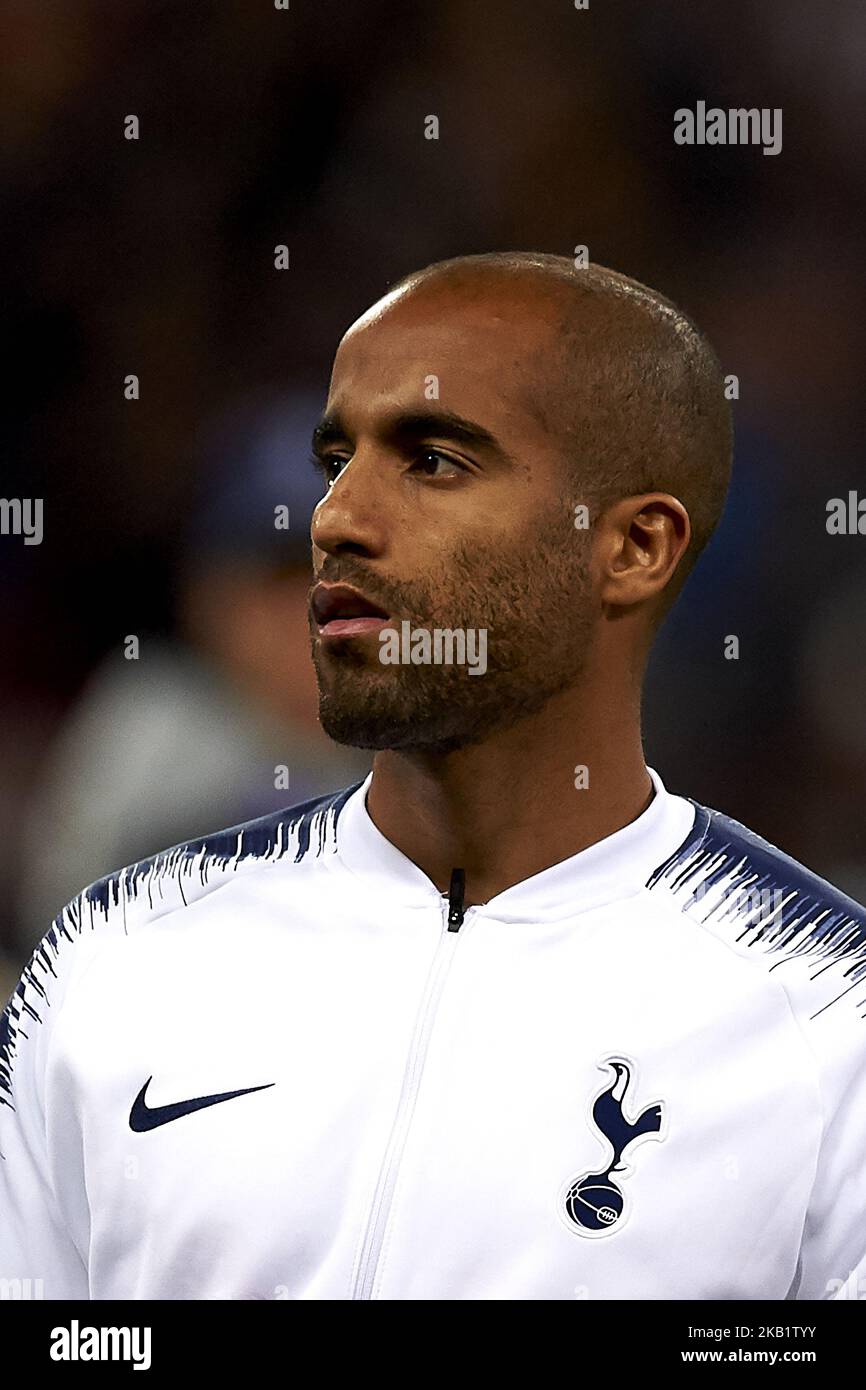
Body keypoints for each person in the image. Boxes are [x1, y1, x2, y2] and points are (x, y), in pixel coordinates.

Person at [2, 252, 864, 1301]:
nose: (332, 520)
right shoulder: (115, 954)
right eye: (337, 459)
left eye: (434, 460)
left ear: (633, 547)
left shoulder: (825, 1010)